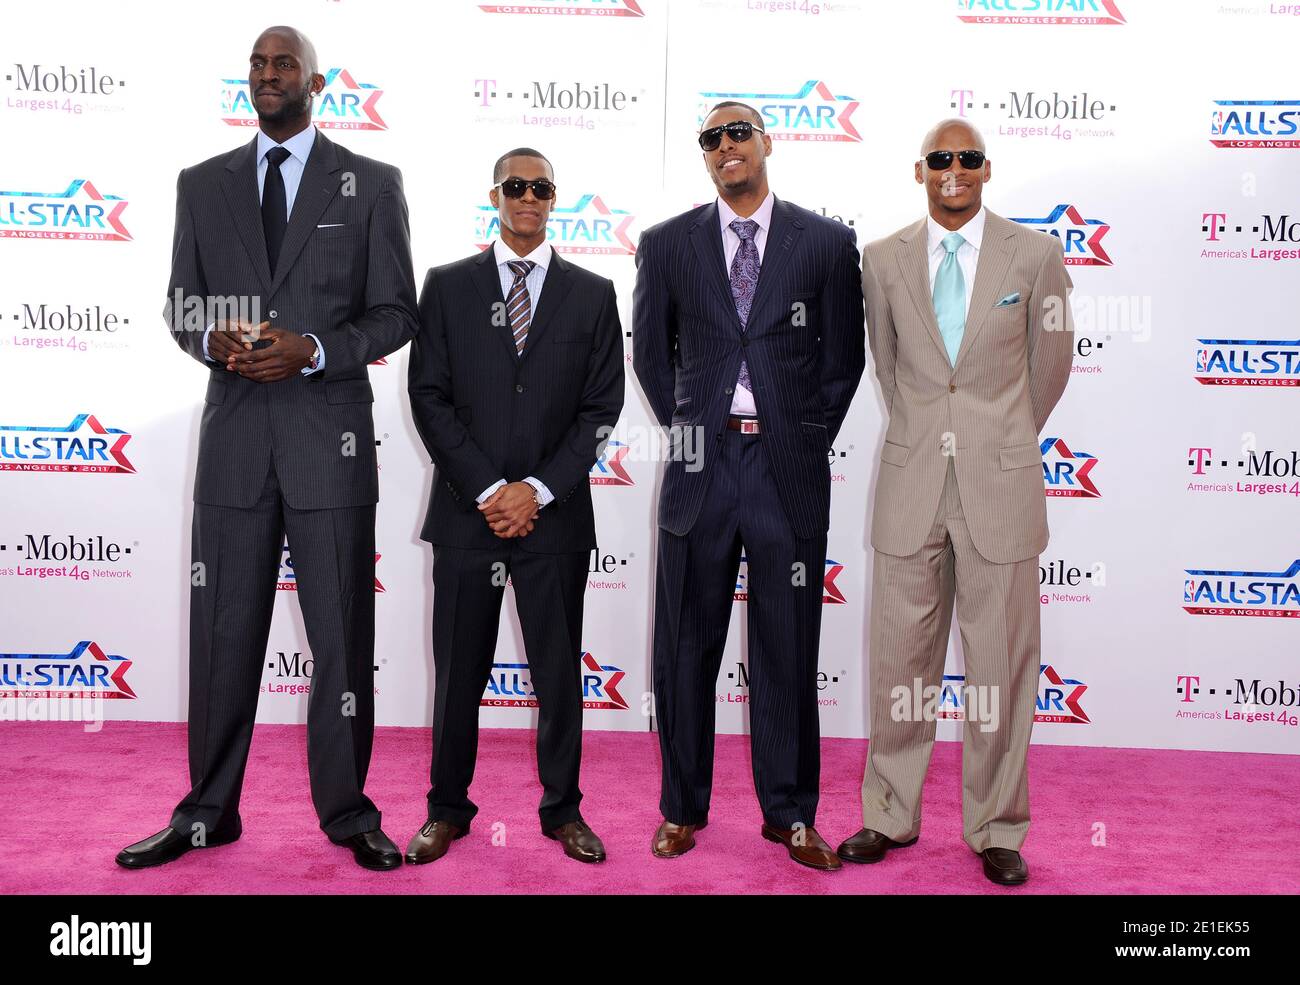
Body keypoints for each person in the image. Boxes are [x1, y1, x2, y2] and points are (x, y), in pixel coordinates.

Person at [116, 26, 417, 872]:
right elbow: (180, 305)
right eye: (257, 64)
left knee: (341, 639)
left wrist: (313, 348)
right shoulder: (202, 184)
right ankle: (208, 811)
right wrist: (214, 342)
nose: (269, 75)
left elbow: (396, 312)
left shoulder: (371, 184)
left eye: (285, 64)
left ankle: (349, 812)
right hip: (237, 445)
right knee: (223, 634)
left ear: (317, 83)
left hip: (331, 444)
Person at [838, 118, 1074, 886]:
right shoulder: (880, 260)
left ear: (987, 169)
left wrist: (998, 435)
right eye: (940, 158)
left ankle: (998, 825)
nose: (954, 170)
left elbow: (1052, 366)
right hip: (911, 485)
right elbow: (891, 364)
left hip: (998, 487)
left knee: (1000, 669)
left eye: (967, 158)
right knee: (900, 662)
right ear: (919, 170)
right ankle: (888, 812)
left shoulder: (1036, 256)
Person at [632, 102, 865, 870]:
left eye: (738, 133)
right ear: (704, 156)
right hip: (701, 471)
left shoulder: (826, 243)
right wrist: (692, 431)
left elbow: (842, 362)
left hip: (784, 471)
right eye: (711, 139)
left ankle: (792, 812)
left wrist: (798, 439)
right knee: (685, 646)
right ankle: (681, 808)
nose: (725, 147)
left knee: (788, 646)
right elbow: (651, 358)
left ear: (767, 142)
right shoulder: (667, 245)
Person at [405, 147, 624, 865]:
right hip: (470, 516)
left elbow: (601, 407)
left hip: (554, 519)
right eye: (514, 185)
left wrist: (538, 489)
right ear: (494, 194)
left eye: (541, 187)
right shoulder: (446, 286)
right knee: (458, 673)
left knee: (559, 676)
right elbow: (427, 396)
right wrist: (491, 490)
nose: (527, 196)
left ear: (554, 198)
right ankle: (447, 808)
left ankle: (563, 810)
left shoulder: (593, 294)